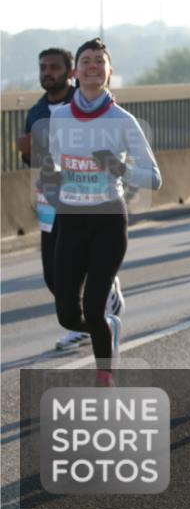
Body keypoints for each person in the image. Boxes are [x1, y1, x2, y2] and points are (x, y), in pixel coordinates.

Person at [42, 38, 161, 385]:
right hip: (70, 220)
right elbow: (55, 164)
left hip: (108, 220)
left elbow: (155, 179)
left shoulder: (122, 121)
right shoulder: (60, 116)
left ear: (110, 72)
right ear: (75, 72)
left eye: (99, 61)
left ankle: (105, 372)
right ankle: (108, 326)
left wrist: (117, 167)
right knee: (67, 314)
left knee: (93, 307)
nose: (92, 66)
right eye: (86, 61)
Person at [20, 48, 121, 351]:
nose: (48, 73)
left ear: (71, 72)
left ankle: (99, 315)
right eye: (43, 67)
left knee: (82, 274)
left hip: (85, 202)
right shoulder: (36, 112)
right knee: (54, 279)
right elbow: (36, 160)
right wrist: (25, 151)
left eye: (54, 67)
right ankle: (89, 322)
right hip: (50, 203)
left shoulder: (83, 104)